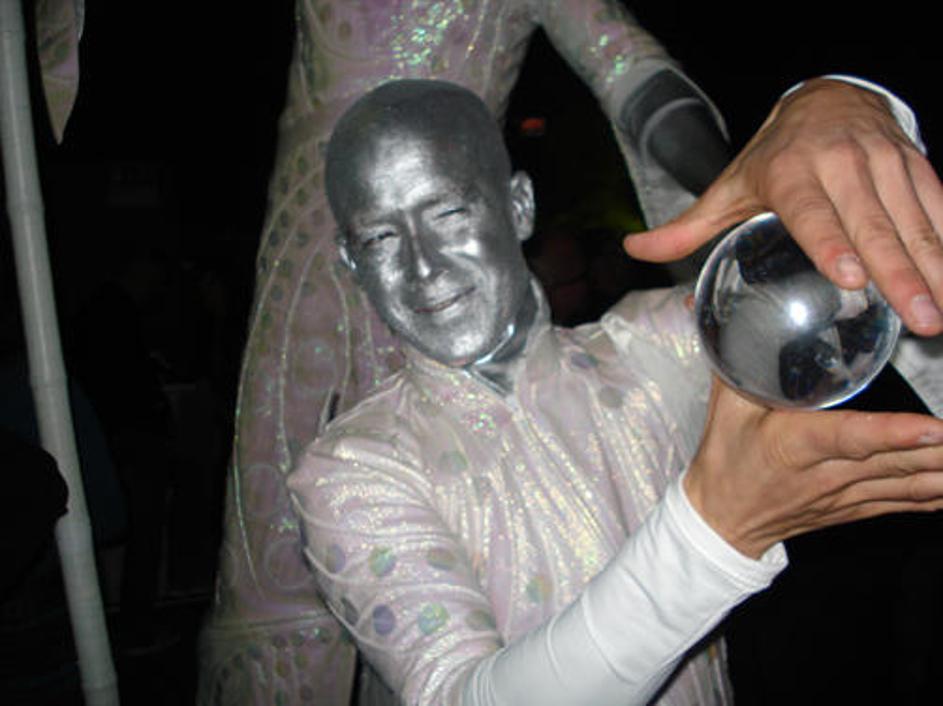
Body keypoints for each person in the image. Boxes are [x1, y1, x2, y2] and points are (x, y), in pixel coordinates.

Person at [200, 4, 943, 704]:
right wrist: (714, 533)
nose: (423, 268)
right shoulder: (351, 472)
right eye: (382, 238)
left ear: (518, 206)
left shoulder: (654, 350)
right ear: (349, 260)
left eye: (449, 213)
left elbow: (844, 278)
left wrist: (841, 106)